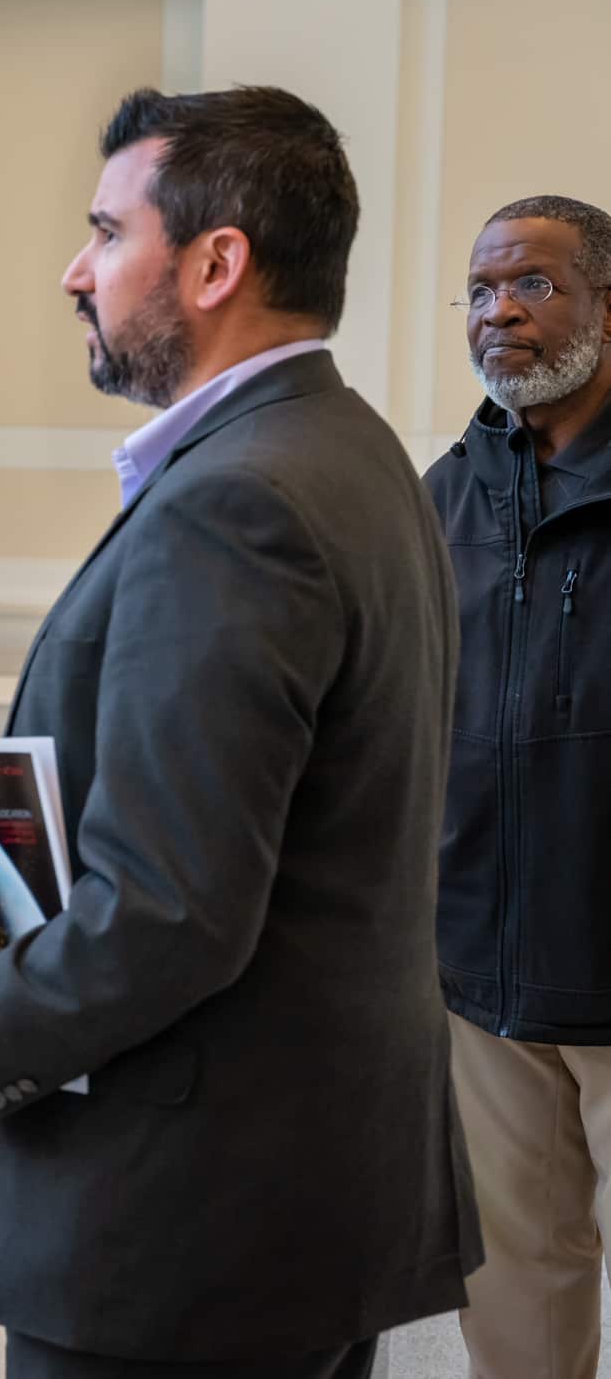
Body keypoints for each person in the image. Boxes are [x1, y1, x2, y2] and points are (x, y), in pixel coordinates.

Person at [0, 87, 482, 1378]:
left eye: (107, 233)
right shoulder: (352, 449)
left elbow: (169, 912)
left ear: (218, 263)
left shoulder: (238, 507)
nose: (75, 269)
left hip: (186, 1234)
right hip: (300, 1203)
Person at [423, 193, 611, 1379]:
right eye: (483, 292)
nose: (500, 315)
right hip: (484, 974)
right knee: (514, 1285)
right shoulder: (447, 491)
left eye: (532, 286)